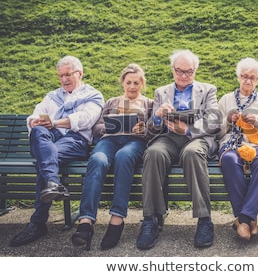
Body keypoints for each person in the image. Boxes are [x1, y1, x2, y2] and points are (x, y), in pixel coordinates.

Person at [9, 55, 104, 247]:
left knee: (46, 159)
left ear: (80, 73)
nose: (64, 79)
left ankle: (37, 223)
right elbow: (35, 113)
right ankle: (53, 182)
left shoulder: (93, 95)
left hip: (74, 140)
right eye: (60, 76)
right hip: (49, 138)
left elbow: (85, 119)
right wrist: (35, 121)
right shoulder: (52, 96)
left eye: (68, 74)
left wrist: (55, 122)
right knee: (39, 133)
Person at [136, 49, 220, 250]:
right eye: (179, 71)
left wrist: (188, 129)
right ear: (172, 69)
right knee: (153, 153)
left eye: (188, 72)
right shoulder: (161, 92)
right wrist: (157, 116)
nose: (183, 76)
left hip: (196, 138)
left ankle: (204, 219)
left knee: (192, 154)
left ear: (195, 70)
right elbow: (151, 130)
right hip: (169, 138)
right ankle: (150, 220)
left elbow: (214, 120)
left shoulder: (208, 90)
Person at [71, 63, 154, 251]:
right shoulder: (112, 102)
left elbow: (154, 131)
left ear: (142, 84)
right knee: (97, 160)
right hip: (110, 140)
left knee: (124, 158)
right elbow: (96, 128)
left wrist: (144, 129)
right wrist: (111, 126)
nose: (132, 86)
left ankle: (117, 219)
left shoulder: (149, 103)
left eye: (136, 83)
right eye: (128, 82)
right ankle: (85, 223)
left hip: (134, 142)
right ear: (122, 83)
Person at [217, 57, 258, 241]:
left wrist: (257, 123)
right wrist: (228, 120)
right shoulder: (226, 99)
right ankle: (249, 220)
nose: (248, 80)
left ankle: (243, 219)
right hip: (232, 143)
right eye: (244, 76)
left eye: (253, 77)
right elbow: (217, 132)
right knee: (229, 160)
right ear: (238, 77)